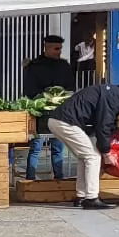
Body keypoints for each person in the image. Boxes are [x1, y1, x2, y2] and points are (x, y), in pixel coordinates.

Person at [47, 79, 119, 211]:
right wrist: (107, 152)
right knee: (93, 157)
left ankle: (81, 197)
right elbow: (104, 124)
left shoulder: (114, 93)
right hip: (66, 122)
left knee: (84, 157)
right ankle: (92, 198)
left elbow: (102, 121)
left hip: (59, 120)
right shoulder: (115, 96)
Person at [21, 35, 73, 181]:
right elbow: (29, 90)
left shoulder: (64, 66)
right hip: (40, 113)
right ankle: (30, 180)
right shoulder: (35, 67)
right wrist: (44, 98)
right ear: (47, 48)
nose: (59, 52)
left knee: (57, 148)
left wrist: (61, 96)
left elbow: (71, 87)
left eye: (60, 48)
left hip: (59, 112)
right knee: (36, 147)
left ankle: (59, 179)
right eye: (56, 49)